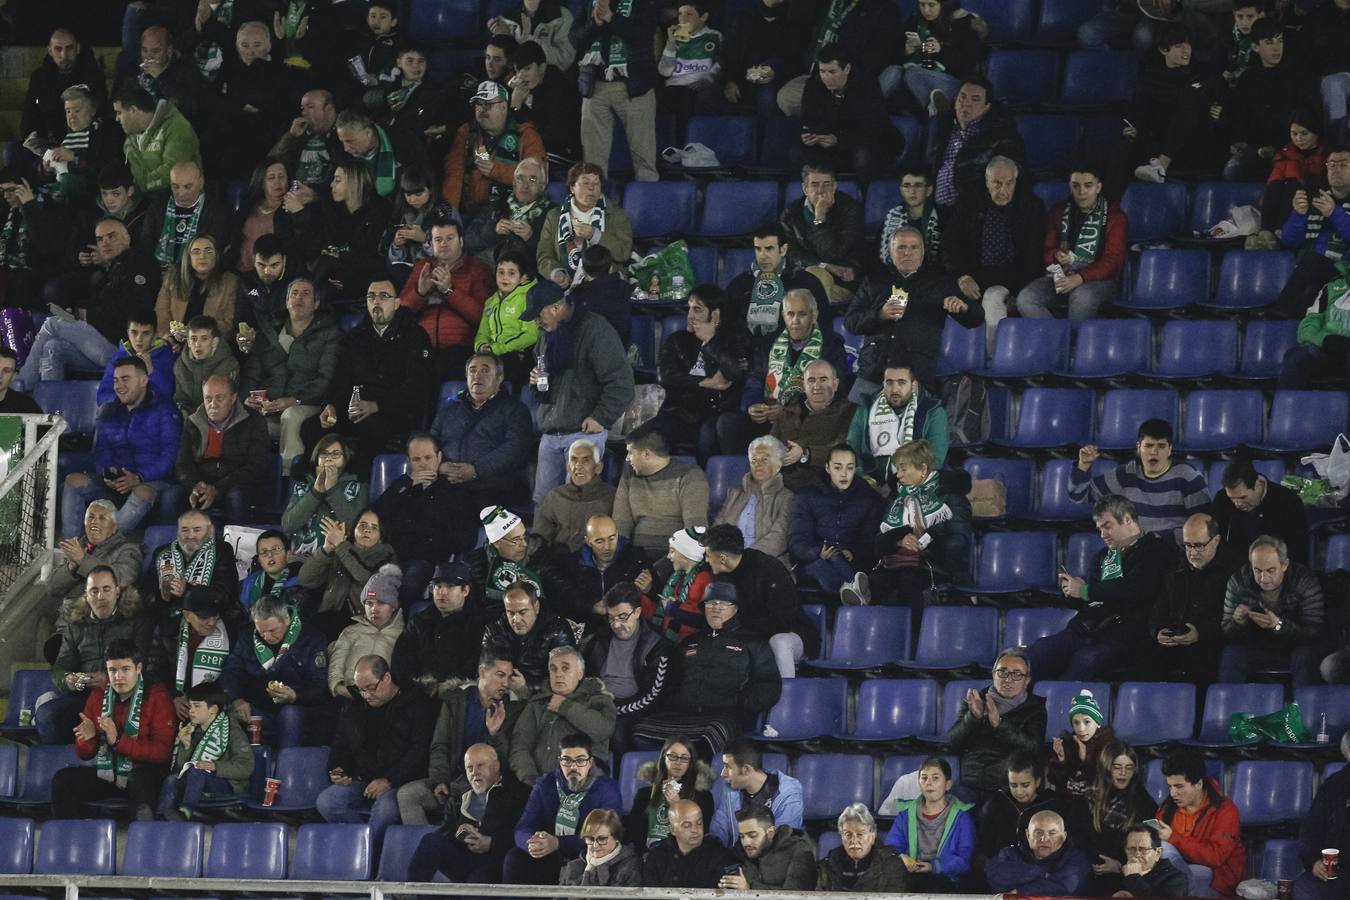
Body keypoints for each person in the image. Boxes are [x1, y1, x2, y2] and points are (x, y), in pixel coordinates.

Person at [1030, 495, 1176, 680]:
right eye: (1099, 529)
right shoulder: (1102, 556)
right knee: (1039, 651)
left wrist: (1085, 591)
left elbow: (1134, 590)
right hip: (1086, 629)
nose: (1102, 535)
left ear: (1127, 519)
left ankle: (1064, 704)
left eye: (1107, 526)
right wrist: (1073, 592)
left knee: (1086, 660)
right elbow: (1088, 599)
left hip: (1124, 636)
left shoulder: (1156, 552)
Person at [522, 280, 635, 506]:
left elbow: (621, 381)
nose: (536, 321)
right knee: (544, 506)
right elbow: (545, 385)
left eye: (538, 314)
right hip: (551, 432)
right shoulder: (546, 337)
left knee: (576, 503)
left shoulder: (594, 329)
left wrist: (601, 417)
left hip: (583, 434)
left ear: (555, 308)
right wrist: (536, 382)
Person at [308, 274, 435, 474]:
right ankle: (315, 482)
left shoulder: (415, 336)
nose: (376, 301)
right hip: (357, 409)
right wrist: (330, 405)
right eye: (371, 296)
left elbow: (417, 387)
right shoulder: (356, 336)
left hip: (396, 411)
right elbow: (341, 378)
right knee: (311, 427)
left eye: (384, 296)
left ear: (396, 303)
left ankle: (358, 487)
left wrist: (378, 405)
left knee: (372, 426)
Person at [632, 584, 782, 754]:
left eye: (723, 604)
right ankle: (666, 779)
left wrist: (739, 703)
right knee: (640, 730)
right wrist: (674, 701)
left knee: (713, 734)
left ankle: (702, 778)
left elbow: (769, 685)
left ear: (736, 608)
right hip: (682, 713)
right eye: (710, 603)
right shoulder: (690, 641)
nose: (715, 609)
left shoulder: (753, 642)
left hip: (727, 716)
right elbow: (671, 681)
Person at [15, 220, 159, 389]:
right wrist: (78, 314)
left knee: (52, 323)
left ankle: (21, 385)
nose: (105, 243)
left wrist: (87, 315)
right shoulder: (109, 271)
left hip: (122, 346)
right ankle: (51, 410)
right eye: (100, 239)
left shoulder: (138, 262)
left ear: (126, 238)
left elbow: (132, 310)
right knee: (52, 347)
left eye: (111, 236)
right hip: (99, 342)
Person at [846, 228, 982, 398]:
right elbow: (850, 322)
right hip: (873, 373)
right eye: (901, 247)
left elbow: (976, 318)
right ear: (890, 251)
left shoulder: (939, 283)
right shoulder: (874, 280)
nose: (907, 253)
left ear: (923, 252)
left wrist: (964, 308)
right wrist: (880, 315)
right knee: (851, 422)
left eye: (914, 247)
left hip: (916, 377)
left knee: (913, 424)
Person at [51, 639, 176, 820]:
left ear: (138, 668)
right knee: (63, 780)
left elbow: (162, 753)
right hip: (109, 773)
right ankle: (69, 840)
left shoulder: (157, 696)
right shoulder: (99, 695)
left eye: (125, 669)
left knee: (140, 779)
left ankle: (142, 841)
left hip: (146, 775)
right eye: (112, 670)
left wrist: (118, 741)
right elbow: (85, 754)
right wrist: (87, 739)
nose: (118, 677)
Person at [61, 355, 182, 538]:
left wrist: (139, 477)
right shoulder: (109, 411)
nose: (119, 386)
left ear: (143, 380)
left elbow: (170, 456)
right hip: (115, 482)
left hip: (152, 482)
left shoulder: (165, 410)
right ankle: (69, 550)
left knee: (141, 492)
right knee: (73, 480)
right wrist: (107, 472)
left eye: (126, 379)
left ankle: (102, 544)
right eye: (116, 380)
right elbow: (102, 450)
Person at [846, 439, 972, 613]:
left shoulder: (952, 499)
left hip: (939, 567)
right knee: (878, 580)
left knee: (908, 581)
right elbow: (878, 542)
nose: (898, 475)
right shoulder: (897, 498)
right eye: (897, 469)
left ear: (923, 469)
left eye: (903, 469)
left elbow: (957, 544)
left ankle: (915, 636)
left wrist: (923, 540)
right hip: (898, 563)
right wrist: (899, 540)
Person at [398, 649, 521, 824]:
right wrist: (439, 780)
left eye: (509, 677)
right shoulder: (456, 701)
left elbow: (507, 762)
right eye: (500, 675)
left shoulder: (513, 709)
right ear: (482, 671)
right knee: (407, 795)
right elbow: (440, 744)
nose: (505, 683)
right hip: (452, 780)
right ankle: (423, 845)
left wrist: (495, 735)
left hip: (484, 785)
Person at [317, 654, 431, 842]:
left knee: (384, 811)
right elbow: (341, 745)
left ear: (386, 678)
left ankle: (370, 856)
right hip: (363, 780)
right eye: (361, 690)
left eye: (371, 688)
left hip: (399, 782)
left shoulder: (416, 703)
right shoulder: (354, 706)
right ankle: (362, 849)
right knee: (327, 802)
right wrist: (338, 768)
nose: (366, 695)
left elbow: (419, 751)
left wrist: (389, 780)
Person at [429, 352, 537, 548]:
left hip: (493, 485)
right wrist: (441, 466)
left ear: (499, 378)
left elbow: (514, 449)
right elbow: (430, 443)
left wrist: (475, 470)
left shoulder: (515, 410)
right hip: (448, 481)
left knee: (459, 506)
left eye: (485, 370)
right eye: (472, 370)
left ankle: (461, 568)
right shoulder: (449, 411)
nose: (477, 375)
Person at [724, 289, 847, 456]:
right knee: (727, 424)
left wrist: (788, 410)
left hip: (805, 416)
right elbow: (754, 379)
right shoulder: (768, 343)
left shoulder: (831, 344)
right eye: (790, 314)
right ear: (783, 316)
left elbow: (833, 389)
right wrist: (753, 405)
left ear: (814, 315)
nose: (794, 321)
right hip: (768, 415)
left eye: (802, 314)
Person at [943, 155, 1046, 353]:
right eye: (997, 184)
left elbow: (1033, 257)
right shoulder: (968, 202)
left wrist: (1018, 293)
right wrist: (962, 276)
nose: (1003, 191)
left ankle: (993, 360)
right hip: (973, 274)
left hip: (1010, 278)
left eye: (1009, 184)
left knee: (992, 298)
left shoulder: (1031, 207)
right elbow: (950, 244)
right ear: (987, 181)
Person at [42, 566, 153, 745]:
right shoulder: (76, 625)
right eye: (94, 591)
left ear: (117, 591)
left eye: (106, 589)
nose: (100, 596)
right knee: (47, 715)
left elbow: (145, 664)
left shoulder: (136, 621)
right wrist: (70, 679)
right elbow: (61, 667)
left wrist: (110, 680)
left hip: (124, 695)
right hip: (84, 694)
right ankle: (65, 763)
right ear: (86, 595)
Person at [240, 276, 340, 473]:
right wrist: (247, 398)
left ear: (316, 303)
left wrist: (294, 400)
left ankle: (291, 480)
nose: (298, 298)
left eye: (305, 294)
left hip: (307, 405)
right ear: (286, 302)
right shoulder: (269, 332)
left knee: (291, 416)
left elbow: (325, 379)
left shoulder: (328, 333)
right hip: (269, 407)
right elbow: (252, 372)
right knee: (237, 415)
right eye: (294, 294)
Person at [648, 284, 753, 461]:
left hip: (716, 412)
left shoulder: (733, 340)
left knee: (707, 435)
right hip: (682, 410)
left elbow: (736, 373)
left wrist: (710, 341)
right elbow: (665, 375)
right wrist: (704, 382)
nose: (690, 316)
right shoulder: (677, 340)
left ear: (716, 314)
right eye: (689, 309)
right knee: (648, 437)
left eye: (697, 310)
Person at [503, 732, 622, 884]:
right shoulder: (545, 785)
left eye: (580, 760)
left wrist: (559, 843)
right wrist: (532, 843)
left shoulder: (607, 788)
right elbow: (523, 827)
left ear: (590, 762)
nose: (573, 767)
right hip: (550, 854)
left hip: (587, 855)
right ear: (559, 761)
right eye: (566, 760)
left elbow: (610, 835)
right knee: (515, 858)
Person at [405, 742, 531, 886]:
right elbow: (446, 832)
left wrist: (491, 843)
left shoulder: (520, 794)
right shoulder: (460, 796)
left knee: (478, 880)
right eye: (469, 768)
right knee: (431, 842)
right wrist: (461, 834)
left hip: (500, 864)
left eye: (480, 766)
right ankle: (411, 894)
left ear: (496, 766)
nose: (474, 772)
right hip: (468, 859)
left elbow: (526, 835)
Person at [1016, 163, 1128, 321]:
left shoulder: (1115, 217)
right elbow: (1047, 250)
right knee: (1026, 298)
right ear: (1070, 186)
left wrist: (1080, 277)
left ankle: (1076, 343)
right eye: (1076, 186)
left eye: (1088, 186)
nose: (1082, 192)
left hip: (1101, 281)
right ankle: (1058, 338)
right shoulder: (1058, 211)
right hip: (1062, 274)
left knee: (1082, 296)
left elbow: (1112, 263)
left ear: (1098, 187)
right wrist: (1056, 256)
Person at [1070, 419, 1210, 544]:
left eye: (1161, 446)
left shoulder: (1187, 476)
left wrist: (1155, 539)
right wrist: (1083, 465)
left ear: (1169, 450)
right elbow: (1078, 496)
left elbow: (1203, 525)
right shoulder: (1126, 474)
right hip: (1137, 551)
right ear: (1139, 448)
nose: (1154, 452)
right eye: (1148, 446)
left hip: (1173, 552)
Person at [277, 161, 392, 312]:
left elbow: (373, 259)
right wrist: (301, 214)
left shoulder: (378, 214)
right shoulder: (336, 212)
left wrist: (338, 255)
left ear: (353, 182)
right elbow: (313, 247)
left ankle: (300, 304)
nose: (331, 185)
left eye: (337, 180)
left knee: (327, 263)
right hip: (333, 279)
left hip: (364, 279)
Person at [702, 524, 814, 677]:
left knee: (779, 642)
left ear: (722, 558)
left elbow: (783, 620)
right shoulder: (720, 576)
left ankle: (784, 697)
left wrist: (741, 630)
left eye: (708, 555)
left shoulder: (768, 569)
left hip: (790, 634)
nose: (706, 560)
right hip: (747, 634)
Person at [570, 0, 659, 181]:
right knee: (592, 162)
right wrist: (594, 24)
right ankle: (594, 205)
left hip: (634, 87)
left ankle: (647, 204)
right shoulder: (591, 3)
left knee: (644, 159)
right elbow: (574, 38)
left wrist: (612, 18)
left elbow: (643, 34)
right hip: (595, 87)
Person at [1148, 513, 1241, 685]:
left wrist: (1201, 634)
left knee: (1202, 662)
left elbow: (1234, 622)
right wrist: (1158, 630)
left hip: (1212, 642)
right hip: (1176, 640)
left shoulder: (1235, 571)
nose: (1192, 552)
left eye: (1198, 546)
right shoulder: (1176, 569)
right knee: (1145, 657)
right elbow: (1158, 609)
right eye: (1187, 546)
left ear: (1216, 541)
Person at [1219, 534, 1324, 686]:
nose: (1264, 578)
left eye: (1271, 570)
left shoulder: (1304, 580)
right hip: (1257, 647)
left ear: (1285, 565)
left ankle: (1304, 708)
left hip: (1295, 648)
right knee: (1231, 654)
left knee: (1305, 656)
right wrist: (1237, 623)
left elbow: (1315, 632)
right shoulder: (1238, 581)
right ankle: (1229, 708)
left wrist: (1278, 625)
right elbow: (1226, 632)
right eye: (1257, 570)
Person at [941, 647, 1046, 797]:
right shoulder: (977, 700)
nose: (1008, 679)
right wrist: (973, 718)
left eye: (1017, 674)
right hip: (970, 779)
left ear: (1026, 681)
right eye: (1002, 672)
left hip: (1008, 783)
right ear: (993, 674)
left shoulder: (1035, 708)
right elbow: (952, 742)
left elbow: (1033, 749)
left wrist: (999, 724)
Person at [399, 216, 493, 380]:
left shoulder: (477, 269)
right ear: (431, 244)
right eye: (438, 239)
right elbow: (400, 313)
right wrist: (420, 292)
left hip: (459, 348)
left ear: (461, 241)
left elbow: (483, 318)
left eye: (450, 238)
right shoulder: (423, 267)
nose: (444, 244)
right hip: (421, 345)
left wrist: (450, 291)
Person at [508, 646, 616, 785]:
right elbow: (520, 746)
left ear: (579, 673)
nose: (558, 674)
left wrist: (565, 707)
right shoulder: (537, 704)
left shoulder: (598, 700)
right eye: (553, 669)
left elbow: (603, 729)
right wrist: (530, 778)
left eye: (565, 668)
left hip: (581, 784)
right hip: (536, 783)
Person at [795, 44, 901, 183]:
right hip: (831, 142)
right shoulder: (814, 85)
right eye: (822, 72)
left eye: (832, 72)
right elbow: (808, 118)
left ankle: (865, 194)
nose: (826, 77)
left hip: (865, 141)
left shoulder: (866, 85)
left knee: (863, 155)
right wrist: (809, 135)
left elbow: (873, 126)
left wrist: (839, 140)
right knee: (797, 153)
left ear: (847, 69)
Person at [975, 751, 1091, 875]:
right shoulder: (998, 802)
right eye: (1013, 785)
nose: (1019, 791)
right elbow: (985, 843)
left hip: (1041, 871)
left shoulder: (1053, 804)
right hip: (1004, 869)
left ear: (1037, 782)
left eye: (1025, 785)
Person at [789, 443, 884, 593]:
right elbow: (797, 540)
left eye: (850, 468)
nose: (844, 474)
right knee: (821, 564)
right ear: (827, 468)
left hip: (850, 562)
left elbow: (870, 542)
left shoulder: (868, 499)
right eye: (838, 467)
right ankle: (856, 591)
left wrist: (852, 553)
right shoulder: (808, 496)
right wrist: (817, 551)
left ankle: (853, 593)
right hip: (813, 560)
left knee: (836, 559)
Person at [443, 81, 545, 218]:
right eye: (478, 104)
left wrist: (495, 170)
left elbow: (537, 178)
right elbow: (454, 174)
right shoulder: (467, 132)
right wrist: (451, 212)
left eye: (488, 104)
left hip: (512, 213)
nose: (481, 109)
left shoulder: (525, 134)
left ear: (503, 107)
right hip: (472, 212)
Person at [582, 582, 667, 746]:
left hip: (633, 710)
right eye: (611, 618)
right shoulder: (600, 639)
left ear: (637, 612)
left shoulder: (656, 644)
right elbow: (585, 678)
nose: (616, 625)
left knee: (617, 732)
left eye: (622, 617)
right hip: (596, 704)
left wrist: (612, 709)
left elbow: (652, 696)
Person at [176, 374, 268, 523]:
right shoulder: (193, 422)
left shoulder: (253, 421)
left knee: (236, 496)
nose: (213, 404)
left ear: (233, 398)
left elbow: (256, 465)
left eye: (220, 398)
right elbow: (182, 462)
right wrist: (194, 484)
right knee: (172, 497)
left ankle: (234, 544)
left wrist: (218, 488)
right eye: (208, 398)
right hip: (202, 482)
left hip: (236, 483)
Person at [1272, 145, 1350, 320]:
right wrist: (1298, 215)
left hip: (1345, 273)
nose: (1336, 169)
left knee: (1312, 263)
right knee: (1310, 291)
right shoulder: (1316, 201)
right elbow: (1289, 241)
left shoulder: (1327, 206)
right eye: (1331, 165)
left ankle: (1281, 310)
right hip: (1314, 273)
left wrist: (1334, 214)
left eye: (1343, 164)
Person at [157, 680, 254, 819]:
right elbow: (180, 770)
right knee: (172, 779)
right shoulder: (190, 730)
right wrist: (185, 746)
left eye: (197, 706)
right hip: (196, 784)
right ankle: (161, 818)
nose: (191, 711)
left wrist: (216, 766)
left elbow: (246, 767)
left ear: (213, 709)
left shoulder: (232, 731)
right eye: (190, 706)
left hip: (226, 786)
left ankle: (185, 813)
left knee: (197, 771)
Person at [1156, 749, 1246, 897]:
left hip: (1216, 883)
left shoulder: (1226, 810)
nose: (1172, 793)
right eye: (1170, 786)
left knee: (1167, 852)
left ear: (1198, 784)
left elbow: (1215, 857)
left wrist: (1173, 838)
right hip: (1176, 877)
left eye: (1179, 786)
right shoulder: (1167, 809)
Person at [298, 509, 396, 644]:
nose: (367, 530)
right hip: (327, 617)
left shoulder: (386, 555)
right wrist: (326, 549)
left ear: (381, 537)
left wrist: (340, 545)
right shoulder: (341, 549)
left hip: (361, 623)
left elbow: (366, 579)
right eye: (362, 525)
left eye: (374, 527)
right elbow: (306, 580)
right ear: (352, 530)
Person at [926, 75, 1023, 209]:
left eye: (975, 99)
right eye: (963, 97)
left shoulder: (1001, 135)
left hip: (972, 213)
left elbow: (1009, 178)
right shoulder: (942, 129)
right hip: (937, 210)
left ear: (986, 107)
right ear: (955, 101)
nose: (966, 103)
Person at [847, 361, 950, 487]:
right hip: (869, 485)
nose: (895, 389)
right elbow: (851, 451)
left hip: (915, 485)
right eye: (889, 383)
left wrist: (895, 487)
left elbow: (934, 460)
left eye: (902, 382)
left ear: (913, 386)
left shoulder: (933, 411)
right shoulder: (866, 409)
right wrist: (865, 480)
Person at [611, 424, 710, 555]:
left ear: (646, 454)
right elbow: (621, 521)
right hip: (635, 555)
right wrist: (619, 556)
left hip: (673, 556)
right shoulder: (629, 475)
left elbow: (695, 527)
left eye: (630, 452)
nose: (627, 458)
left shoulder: (690, 475)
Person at [882, 757, 976, 892]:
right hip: (910, 876)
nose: (928, 783)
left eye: (935, 778)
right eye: (924, 778)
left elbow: (964, 860)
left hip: (946, 879)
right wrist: (901, 858)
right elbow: (891, 848)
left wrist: (933, 867)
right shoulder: (906, 815)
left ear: (948, 784)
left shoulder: (962, 817)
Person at [725, 225, 828, 346]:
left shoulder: (806, 283)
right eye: (758, 249)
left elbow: (824, 327)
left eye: (769, 249)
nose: (762, 256)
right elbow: (726, 326)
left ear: (783, 249)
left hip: (793, 356)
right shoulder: (740, 284)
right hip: (747, 356)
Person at [536, 162, 633, 288]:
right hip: (565, 286)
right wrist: (556, 273)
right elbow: (544, 256)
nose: (591, 188)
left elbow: (623, 252)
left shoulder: (616, 214)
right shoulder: (554, 216)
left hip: (604, 284)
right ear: (572, 187)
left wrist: (595, 235)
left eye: (596, 183)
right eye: (586, 183)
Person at [779, 163, 864, 306]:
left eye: (827, 184)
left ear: (835, 186)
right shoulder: (791, 213)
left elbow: (832, 254)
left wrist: (820, 218)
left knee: (814, 281)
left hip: (842, 283)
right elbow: (792, 254)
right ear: (805, 189)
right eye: (814, 185)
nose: (821, 191)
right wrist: (824, 266)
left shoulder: (850, 210)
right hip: (804, 278)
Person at [391, 562, 484, 692]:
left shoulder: (479, 623)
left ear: (465, 590)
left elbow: (477, 664)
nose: (442, 592)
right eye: (437, 586)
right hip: (419, 692)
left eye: (450, 586)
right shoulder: (419, 621)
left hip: (460, 693)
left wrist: (451, 684)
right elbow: (402, 660)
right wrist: (419, 682)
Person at [883, 0, 986, 113]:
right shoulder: (914, 21)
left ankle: (936, 108)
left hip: (949, 80)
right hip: (914, 80)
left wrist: (940, 51)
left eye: (931, 5)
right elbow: (892, 59)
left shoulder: (963, 22)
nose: (926, 10)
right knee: (893, 70)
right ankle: (868, 105)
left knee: (913, 73)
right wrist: (906, 52)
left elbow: (967, 64)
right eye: (922, 5)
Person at [770, 359, 856, 493]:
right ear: (804, 385)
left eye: (823, 379)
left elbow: (846, 448)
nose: (817, 385)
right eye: (811, 380)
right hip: (781, 482)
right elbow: (772, 443)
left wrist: (805, 454)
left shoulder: (850, 411)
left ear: (835, 384)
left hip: (822, 484)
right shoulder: (787, 412)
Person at [280, 433, 369, 557]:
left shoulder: (358, 487)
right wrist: (316, 492)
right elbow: (288, 525)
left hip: (338, 558)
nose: (329, 458)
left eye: (335, 454)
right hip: (301, 556)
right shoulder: (303, 485)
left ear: (346, 458)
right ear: (316, 459)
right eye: (324, 454)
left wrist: (332, 490)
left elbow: (356, 527)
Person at [47, 500, 143, 610]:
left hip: (104, 618)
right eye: (90, 517)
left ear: (114, 527)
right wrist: (71, 567)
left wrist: (83, 560)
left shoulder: (128, 549)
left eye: (102, 518)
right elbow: (52, 588)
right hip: (70, 615)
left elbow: (123, 579)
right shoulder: (79, 545)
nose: (94, 522)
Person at [714, 436, 795, 566]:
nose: (758, 464)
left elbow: (778, 539)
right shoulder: (735, 493)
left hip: (765, 564)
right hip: (727, 562)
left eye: (765, 460)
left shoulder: (786, 497)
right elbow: (718, 527)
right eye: (754, 460)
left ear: (778, 465)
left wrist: (742, 559)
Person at [327, 566, 406, 700]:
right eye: (369, 603)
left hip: (383, 700)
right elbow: (336, 668)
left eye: (381, 603)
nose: (374, 609)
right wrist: (342, 690)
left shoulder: (403, 635)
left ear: (393, 606)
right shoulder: (351, 631)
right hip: (348, 696)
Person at [468, 507, 570, 611]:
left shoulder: (541, 556)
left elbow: (568, 593)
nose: (524, 544)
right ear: (497, 543)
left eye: (524, 536)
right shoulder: (476, 565)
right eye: (516, 540)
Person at [480, 580, 576, 690]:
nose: (516, 620)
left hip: (541, 697)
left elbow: (567, 681)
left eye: (522, 612)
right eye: (510, 613)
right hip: (502, 690)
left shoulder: (557, 630)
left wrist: (527, 687)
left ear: (536, 607)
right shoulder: (495, 629)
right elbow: (486, 671)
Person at [144, 510, 240, 618]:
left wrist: (187, 590)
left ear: (210, 531)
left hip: (208, 618)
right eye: (184, 530)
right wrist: (161, 594)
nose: (190, 536)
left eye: (197, 530)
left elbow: (224, 594)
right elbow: (146, 591)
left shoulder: (221, 550)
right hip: (166, 618)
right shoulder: (162, 553)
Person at [1213, 459, 1310, 564]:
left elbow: (1297, 552)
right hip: (1234, 570)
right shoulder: (1222, 499)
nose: (1237, 504)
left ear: (1258, 485)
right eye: (1232, 498)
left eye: (1242, 497)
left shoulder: (1289, 502)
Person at [625, 736, 714, 849]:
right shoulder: (644, 794)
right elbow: (633, 836)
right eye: (672, 756)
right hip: (647, 857)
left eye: (684, 758)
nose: (678, 762)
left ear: (690, 763)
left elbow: (698, 838)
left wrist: (678, 806)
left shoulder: (702, 797)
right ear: (663, 758)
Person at [21, 28, 107, 145]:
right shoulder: (39, 78)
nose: (64, 55)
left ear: (78, 49)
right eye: (58, 49)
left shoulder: (92, 76)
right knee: (13, 151)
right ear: (50, 51)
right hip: (48, 142)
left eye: (69, 48)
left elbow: (100, 113)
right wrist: (33, 138)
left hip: (83, 142)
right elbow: (29, 116)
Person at [1087, 740, 1157, 884]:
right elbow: (1077, 835)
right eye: (1117, 767)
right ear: (1106, 769)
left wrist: (1119, 865)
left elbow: (1146, 847)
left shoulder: (1144, 803)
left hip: (1124, 870)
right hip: (1090, 864)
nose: (1123, 773)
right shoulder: (1089, 795)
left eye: (1129, 768)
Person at [708, 739, 802, 845]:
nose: (723, 774)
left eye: (727, 767)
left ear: (746, 769)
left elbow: (783, 845)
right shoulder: (730, 791)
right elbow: (718, 829)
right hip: (739, 858)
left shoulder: (787, 794)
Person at [112, 84, 201, 195]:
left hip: (182, 199)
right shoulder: (129, 141)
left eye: (119, 112)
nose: (116, 119)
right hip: (149, 202)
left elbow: (173, 173)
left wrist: (141, 186)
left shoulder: (177, 127)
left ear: (133, 110)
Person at [464, 157, 554, 265]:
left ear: (542, 186)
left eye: (532, 180)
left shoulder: (553, 212)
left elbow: (559, 253)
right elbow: (468, 241)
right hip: (495, 271)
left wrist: (532, 238)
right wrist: (493, 231)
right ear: (514, 182)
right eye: (520, 178)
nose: (525, 185)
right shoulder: (498, 206)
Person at [142, 163, 230, 273]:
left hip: (196, 274)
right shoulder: (158, 206)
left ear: (201, 182)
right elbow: (145, 245)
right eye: (175, 186)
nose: (181, 193)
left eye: (188, 187)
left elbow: (213, 253)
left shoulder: (217, 211)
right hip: (156, 271)